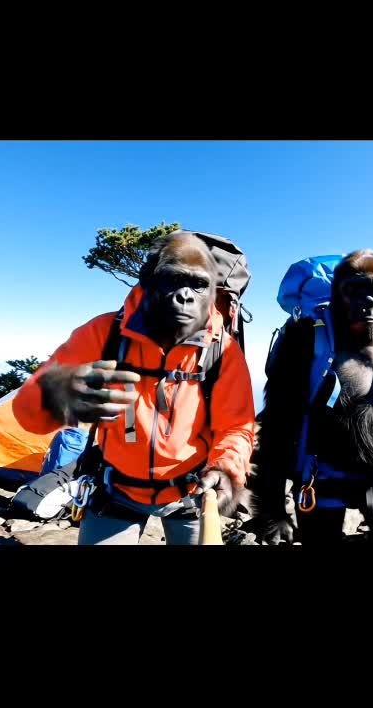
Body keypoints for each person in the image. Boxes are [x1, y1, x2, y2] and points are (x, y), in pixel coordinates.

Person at [13, 232, 255, 545]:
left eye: (198, 284)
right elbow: (28, 415)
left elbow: (236, 426)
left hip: (191, 493)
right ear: (148, 281)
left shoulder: (221, 350)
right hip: (118, 491)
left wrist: (225, 469)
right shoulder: (104, 333)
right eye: (176, 280)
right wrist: (57, 393)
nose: (186, 295)